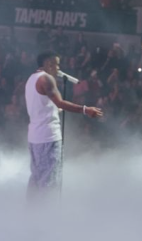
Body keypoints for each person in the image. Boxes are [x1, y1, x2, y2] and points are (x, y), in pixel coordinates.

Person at [24, 51, 103, 200]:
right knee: (49, 182)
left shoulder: (31, 79)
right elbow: (60, 102)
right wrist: (85, 110)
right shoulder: (46, 79)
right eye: (57, 64)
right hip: (48, 138)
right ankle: (47, 212)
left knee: (36, 179)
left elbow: (41, 106)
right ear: (49, 64)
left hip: (35, 138)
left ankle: (32, 211)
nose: (58, 68)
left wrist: (55, 110)